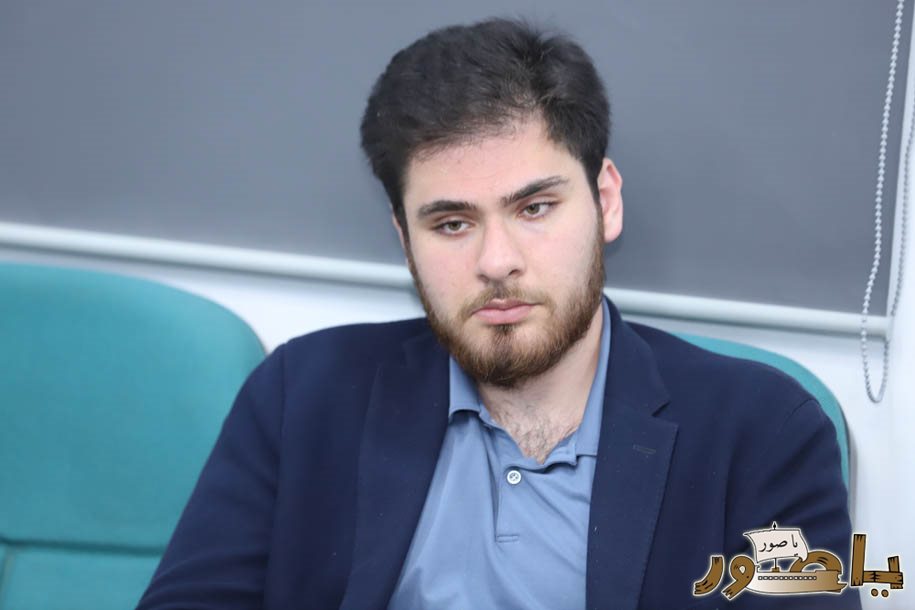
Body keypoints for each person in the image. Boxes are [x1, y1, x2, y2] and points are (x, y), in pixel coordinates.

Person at [138, 18, 858, 610]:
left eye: (534, 208)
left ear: (605, 202)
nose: (496, 261)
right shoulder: (302, 393)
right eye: (451, 224)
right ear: (405, 240)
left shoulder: (765, 430)